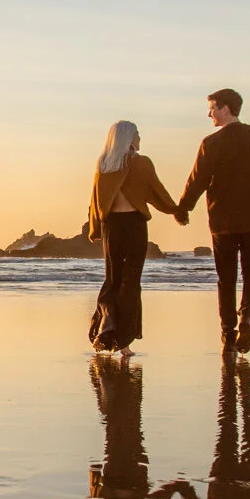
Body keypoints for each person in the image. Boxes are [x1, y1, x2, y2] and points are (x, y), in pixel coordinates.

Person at [178, 88, 250, 354]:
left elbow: (198, 180)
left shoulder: (211, 143)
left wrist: (183, 208)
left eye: (212, 108)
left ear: (226, 108)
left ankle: (228, 333)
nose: (209, 114)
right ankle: (247, 317)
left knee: (226, 279)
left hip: (222, 221)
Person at [86, 120, 187, 357]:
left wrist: (94, 229)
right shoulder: (141, 163)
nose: (140, 138)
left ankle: (105, 328)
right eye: (137, 134)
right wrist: (177, 211)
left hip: (111, 226)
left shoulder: (103, 164)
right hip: (134, 226)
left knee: (112, 279)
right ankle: (124, 342)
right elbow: (157, 191)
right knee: (130, 282)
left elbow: (95, 199)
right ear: (128, 138)